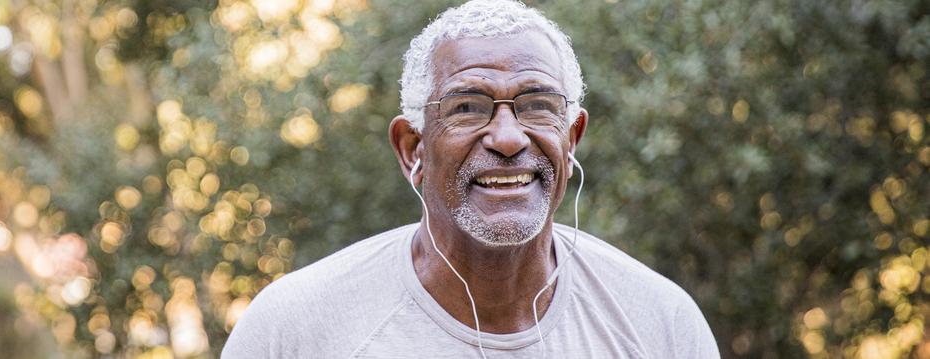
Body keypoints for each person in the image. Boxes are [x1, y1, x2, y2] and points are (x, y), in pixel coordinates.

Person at [222, 1, 719, 357]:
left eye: (538, 106)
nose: (507, 138)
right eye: (467, 108)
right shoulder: (297, 330)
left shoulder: (659, 324)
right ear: (412, 148)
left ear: (572, 138)